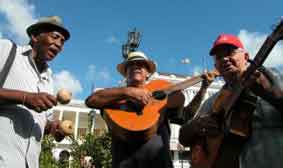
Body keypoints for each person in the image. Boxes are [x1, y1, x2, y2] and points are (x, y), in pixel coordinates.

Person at [85, 51, 215, 168]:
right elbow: (91, 100)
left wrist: (203, 88)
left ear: (148, 74)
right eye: (131, 65)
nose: (136, 66)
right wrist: (128, 91)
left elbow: (187, 115)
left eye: (142, 65)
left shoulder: (162, 99)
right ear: (126, 73)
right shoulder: (114, 97)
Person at [179, 34, 283, 168]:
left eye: (229, 52)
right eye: (218, 57)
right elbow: (183, 136)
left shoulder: (274, 77)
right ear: (215, 65)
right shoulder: (214, 100)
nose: (224, 59)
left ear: (246, 57)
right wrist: (198, 125)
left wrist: (268, 93)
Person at [0, 16, 70, 168]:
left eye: (62, 42)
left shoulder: (48, 79)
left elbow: (38, 123)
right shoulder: (6, 50)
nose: (59, 44)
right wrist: (25, 98)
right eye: (55, 37)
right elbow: (28, 100)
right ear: (35, 36)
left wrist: (52, 128)